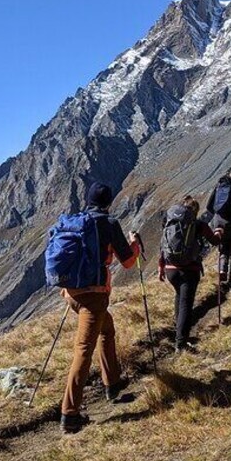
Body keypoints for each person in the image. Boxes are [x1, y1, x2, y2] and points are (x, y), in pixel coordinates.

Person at [60, 182, 140, 434]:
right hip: (93, 296)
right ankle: (69, 414)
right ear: (109, 202)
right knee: (83, 350)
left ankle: (112, 383)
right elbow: (127, 262)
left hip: (70, 293)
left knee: (107, 329)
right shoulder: (108, 224)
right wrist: (134, 243)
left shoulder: (77, 221)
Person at [159, 197, 223, 353]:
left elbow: (163, 245)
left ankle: (178, 334)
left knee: (179, 297)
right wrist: (219, 232)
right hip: (189, 270)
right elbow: (214, 240)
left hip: (170, 269)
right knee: (186, 304)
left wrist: (161, 267)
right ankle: (181, 343)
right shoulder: (198, 224)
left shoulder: (170, 222)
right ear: (194, 211)